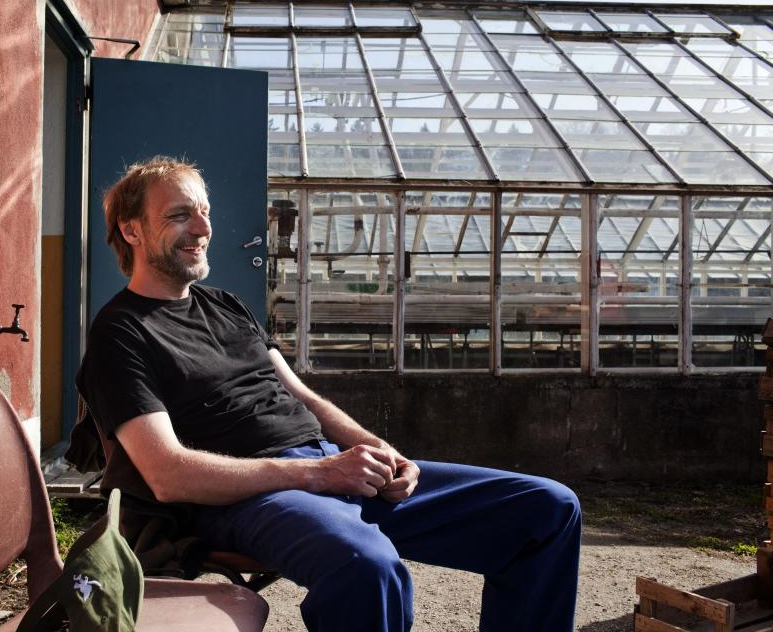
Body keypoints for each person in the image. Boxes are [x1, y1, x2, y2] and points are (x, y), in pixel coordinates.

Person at [77, 156, 581, 632]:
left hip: (326, 468)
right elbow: (167, 474)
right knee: (366, 567)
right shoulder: (120, 333)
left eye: (205, 213)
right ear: (131, 229)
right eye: (180, 215)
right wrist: (317, 475)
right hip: (252, 495)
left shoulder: (225, 305)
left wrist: (383, 452)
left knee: (547, 509)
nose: (204, 229)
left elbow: (301, 395)